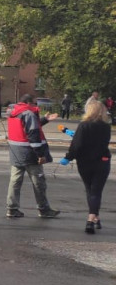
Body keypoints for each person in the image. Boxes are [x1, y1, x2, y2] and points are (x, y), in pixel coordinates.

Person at [60, 100, 112, 233]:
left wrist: (68, 157)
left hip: (84, 162)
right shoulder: (106, 126)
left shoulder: (83, 125)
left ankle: (90, 219)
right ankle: (95, 217)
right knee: (96, 191)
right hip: (102, 161)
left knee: (90, 189)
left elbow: (77, 145)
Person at [5, 94, 60, 219]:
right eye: (35, 103)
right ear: (29, 103)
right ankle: (43, 209)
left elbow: (25, 127)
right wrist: (40, 155)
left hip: (16, 153)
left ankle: (12, 209)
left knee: (15, 182)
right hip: (30, 154)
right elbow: (33, 135)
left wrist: (44, 120)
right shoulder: (28, 114)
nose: (36, 106)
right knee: (38, 182)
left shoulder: (14, 112)